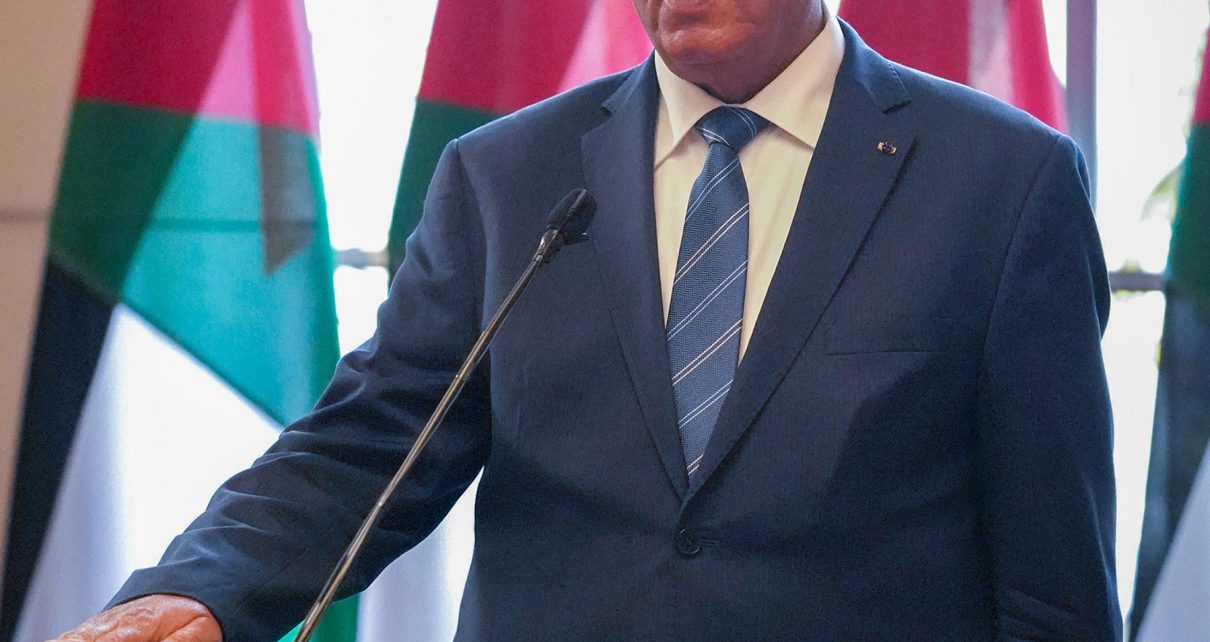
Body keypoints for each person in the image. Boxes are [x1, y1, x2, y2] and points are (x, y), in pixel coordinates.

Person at [54, 0, 1121, 639]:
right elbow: (372, 441)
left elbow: (1054, 578)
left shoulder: (1003, 182)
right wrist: (200, 591)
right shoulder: (504, 175)